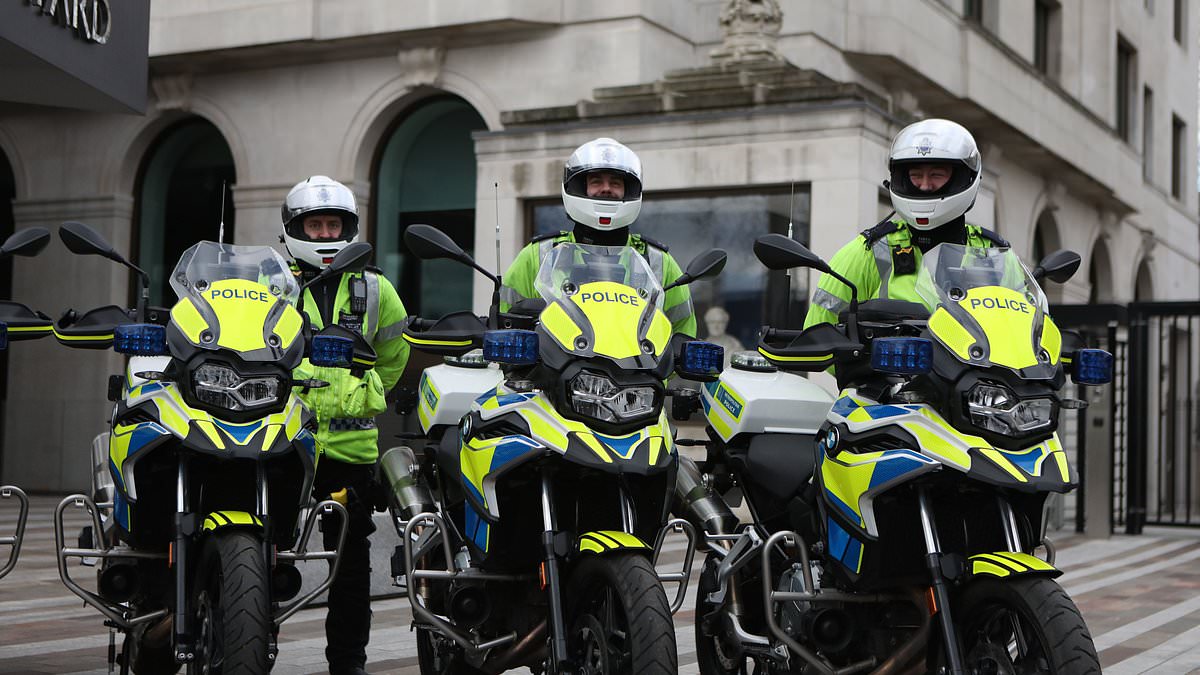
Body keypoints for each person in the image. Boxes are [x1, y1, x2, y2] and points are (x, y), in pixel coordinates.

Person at [280, 175, 410, 675]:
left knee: (351, 571)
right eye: (316, 225)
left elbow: (395, 356)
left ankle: (348, 663)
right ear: (295, 229)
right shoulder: (273, 284)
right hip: (284, 439)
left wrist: (362, 390)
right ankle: (246, 637)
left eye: (335, 223)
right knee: (261, 550)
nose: (326, 232)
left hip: (352, 451)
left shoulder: (376, 288)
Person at [803, 118, 1008, 328]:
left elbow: (1030, 333)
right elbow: (817, 338)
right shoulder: (868, 252)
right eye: (915, 175)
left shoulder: (993, 255)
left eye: (937, 174)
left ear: (965, 178)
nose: (925, 185)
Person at [499, 137, 697, 337]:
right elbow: (505, 326)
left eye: (615, 182)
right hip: (550, 367)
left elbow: (683, 336)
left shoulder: (658, 262)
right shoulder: (538, 255)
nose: (606, 188)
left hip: (639, 367)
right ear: (578, 187)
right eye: (596, 181)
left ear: (628, 190)